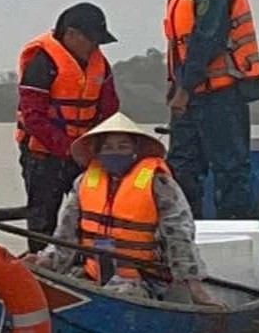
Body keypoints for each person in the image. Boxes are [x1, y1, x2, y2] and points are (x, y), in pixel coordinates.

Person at [36, 114, 215, 305]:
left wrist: (193, 285)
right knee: (56, 292)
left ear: (136, 150)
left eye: (123, 147)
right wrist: (46, 260)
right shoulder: (83, 182)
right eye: (108, 147)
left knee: (119, 296)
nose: (115, 152)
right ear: (97, 151)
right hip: (91, 273)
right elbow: (65, 234)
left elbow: (179, 233)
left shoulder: (158, 183)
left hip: (143, 280)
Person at [157, 0, 259, 220]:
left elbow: (207, 39)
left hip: (221, 94)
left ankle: (237, 234)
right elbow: (183, 43)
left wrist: (184, 89)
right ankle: (185, 232)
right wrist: (177, 85)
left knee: (230, 169)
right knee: (182, 168)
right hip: (194, 93)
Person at [15, 2, 121, 235]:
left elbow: (110, 110)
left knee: (92, 212)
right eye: (91, 39)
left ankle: (87, 262)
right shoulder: (42, 64)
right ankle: (40, 260)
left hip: (84, 154)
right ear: (71, 34)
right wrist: (68, 149)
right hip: (42, 155)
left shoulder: (100, 66)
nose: (95, 46)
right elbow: (33, 117)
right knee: (42, 217)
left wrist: (97, 148)